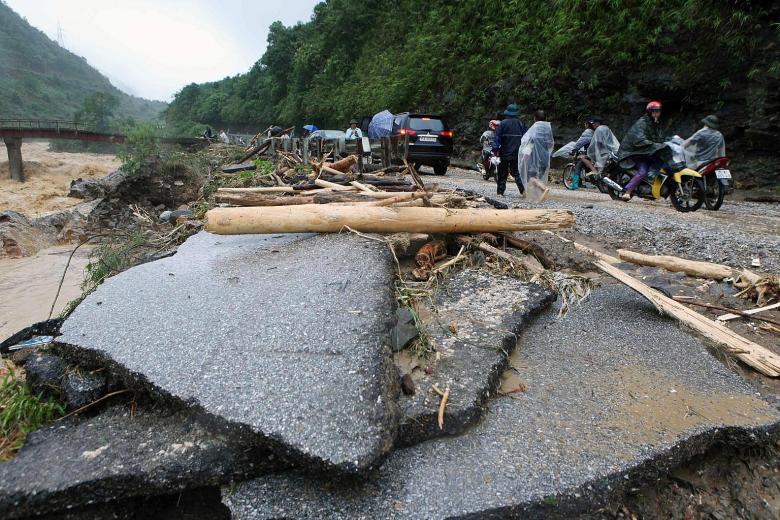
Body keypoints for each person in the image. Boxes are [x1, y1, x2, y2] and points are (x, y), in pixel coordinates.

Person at [616, 100, 671, 201]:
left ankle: (653, 189)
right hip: (634, 152)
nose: (656, 113)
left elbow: (659, 137)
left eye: (658, 111)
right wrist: (656, 145)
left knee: (660, 164)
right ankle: (628, 191)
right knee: (643, 171)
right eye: (654, 111)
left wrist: (668, 141)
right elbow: (639, 139)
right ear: (649, 112)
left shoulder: (654, 123)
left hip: (646, 152)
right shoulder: (642, 123)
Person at [518, 110, 554, 202]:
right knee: (538, 176)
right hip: (545, 157)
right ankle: (537, 196)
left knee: (531, 177)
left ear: (535, 118)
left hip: (534, 158)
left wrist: (524, 157)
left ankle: (543, 189)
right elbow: (550, 144)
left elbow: (529, 142)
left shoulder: (535, 128)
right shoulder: (547, 128)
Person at [492, 103, 527, 196]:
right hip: (517, 153)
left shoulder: (502, 124)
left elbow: (497, 138)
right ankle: (523, 191)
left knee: (502, 173)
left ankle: (500, 192)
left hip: (504, 152)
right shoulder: (521, 124)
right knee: (517, 172)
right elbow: (526, 138)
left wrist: (495, 151)